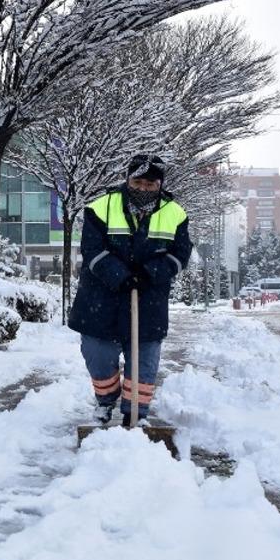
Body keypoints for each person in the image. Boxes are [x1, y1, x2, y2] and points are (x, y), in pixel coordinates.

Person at [68, 154, 192, 425]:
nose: (143, 189)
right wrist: (120, 276)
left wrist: (150, 273)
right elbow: (92, 249)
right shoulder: (101, 207)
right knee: (98, 355)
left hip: (149, 299)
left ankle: (134, 415)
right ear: (128, 179)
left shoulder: (175, 213)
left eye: (150, 185)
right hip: (101, 297)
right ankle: (106, 400)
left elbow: (181, 254)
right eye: (138, 182)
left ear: (159, 185)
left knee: (144, 362)